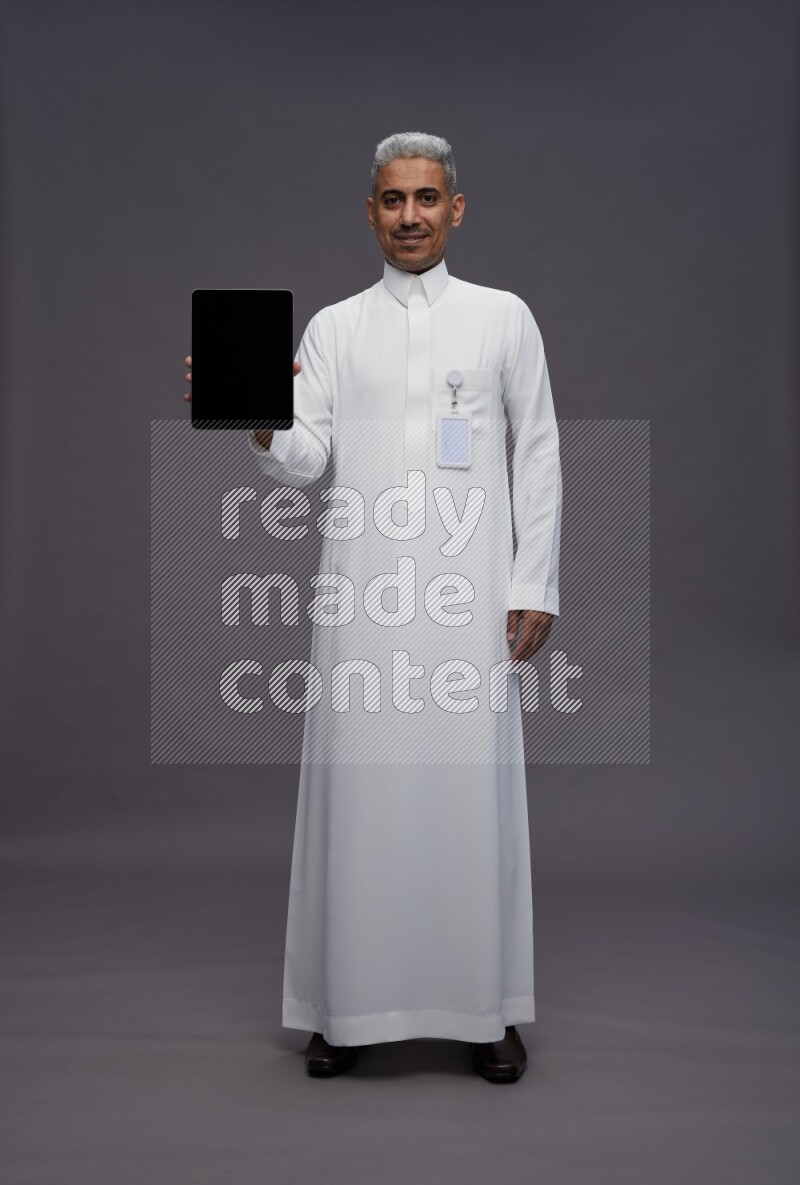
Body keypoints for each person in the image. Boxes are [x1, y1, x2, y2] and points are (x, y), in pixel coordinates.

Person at [183, 131, 562, 1084]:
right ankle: (342, 1008)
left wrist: (534, 583)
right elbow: (306, 461)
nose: (410, 217)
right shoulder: (334, 329)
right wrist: (260, 417)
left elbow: (540, 452)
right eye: (393, 201)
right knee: (359, 796)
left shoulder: (503, 318)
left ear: (456, 208)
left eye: (426, 199)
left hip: (472, 597)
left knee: (473, 797)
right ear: (370, 213)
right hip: (363, 599)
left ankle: (489, 1010)